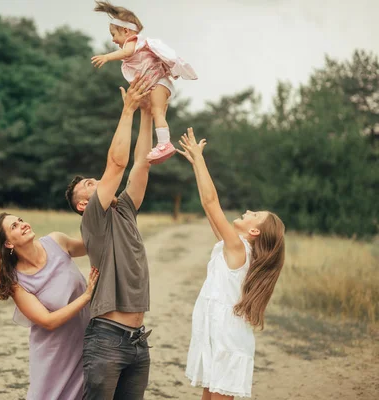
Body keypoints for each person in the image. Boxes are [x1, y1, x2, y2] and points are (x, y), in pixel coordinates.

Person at [176, 128, 286, 399]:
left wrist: (200, 160)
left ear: (254, 232)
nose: (248, 211)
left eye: (254, 214)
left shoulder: (238, 249)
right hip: (216, 333)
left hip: (227, 338)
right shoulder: (232, 247)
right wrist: (196, 167)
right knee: (207, 394)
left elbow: (212, 203)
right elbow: (208, 207)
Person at [65, 73, 153, 399]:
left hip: (137, 340)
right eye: (89, 184)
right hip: (107, 338)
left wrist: (146, 113)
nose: (96, 181)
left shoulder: (125, 209)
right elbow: (117, 164)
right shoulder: (93, 220)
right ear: (83, 204)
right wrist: (127, 110)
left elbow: (141, 165)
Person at [0, 212, 99, 400]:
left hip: (88, 341)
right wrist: (87, 296)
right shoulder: (16, 282)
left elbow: (92, 247)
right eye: (14, 226)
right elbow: (48, 321)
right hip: (54, 354)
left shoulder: (56, 241)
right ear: (8, 244)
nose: (22, 224)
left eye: (20, 220)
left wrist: (98, 211)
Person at [91, 1, 198, 165]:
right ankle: (163, 143)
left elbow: (126, 52)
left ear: (126, 31)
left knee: (157, 112)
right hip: (159, 84)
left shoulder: (132, 42)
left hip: (160, 83)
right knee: (155, 112)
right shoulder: (136, 45)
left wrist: (107, 57)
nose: (113, 40)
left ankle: (164, 144)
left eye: (114, 35)